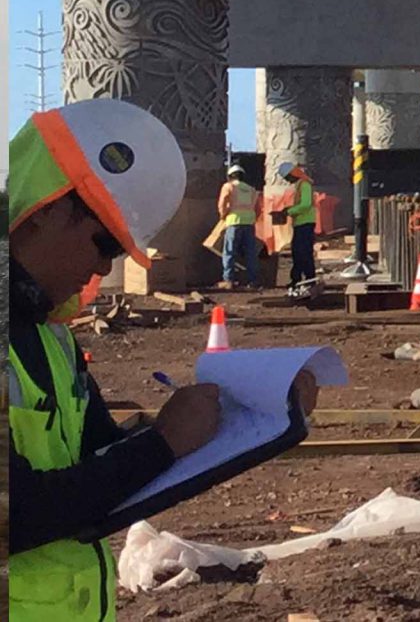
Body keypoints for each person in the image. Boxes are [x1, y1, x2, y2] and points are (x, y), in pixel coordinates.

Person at [11, 101, 317, 620]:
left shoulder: (50, 334)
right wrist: (164, 443)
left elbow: (97, 459)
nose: (102, 266)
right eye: (104, 241)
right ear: (46, 211)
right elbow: (22, 512)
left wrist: (243, 425)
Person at [212, 162, 259, 289]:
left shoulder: (229, 187)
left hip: (233, 222)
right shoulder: (251, 190)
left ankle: (228, 280)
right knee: (250, 253)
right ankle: (252, 281)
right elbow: (258, 208)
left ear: (230, 176)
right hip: (249, 223)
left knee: (229, 252)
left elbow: (222, 203)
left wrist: (223, 216)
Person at [275, 159, 318, 287]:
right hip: (300, 224)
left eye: (288, 177)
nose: (288, 180)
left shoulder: (304, 184)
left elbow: (305, 205)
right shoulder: (300, 185)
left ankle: (309, 279)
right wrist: (289, 210)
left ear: (293, 173)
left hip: (305, 224)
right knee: (298, 252)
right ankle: (298, 279)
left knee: (303, 252)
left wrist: (289, 212)